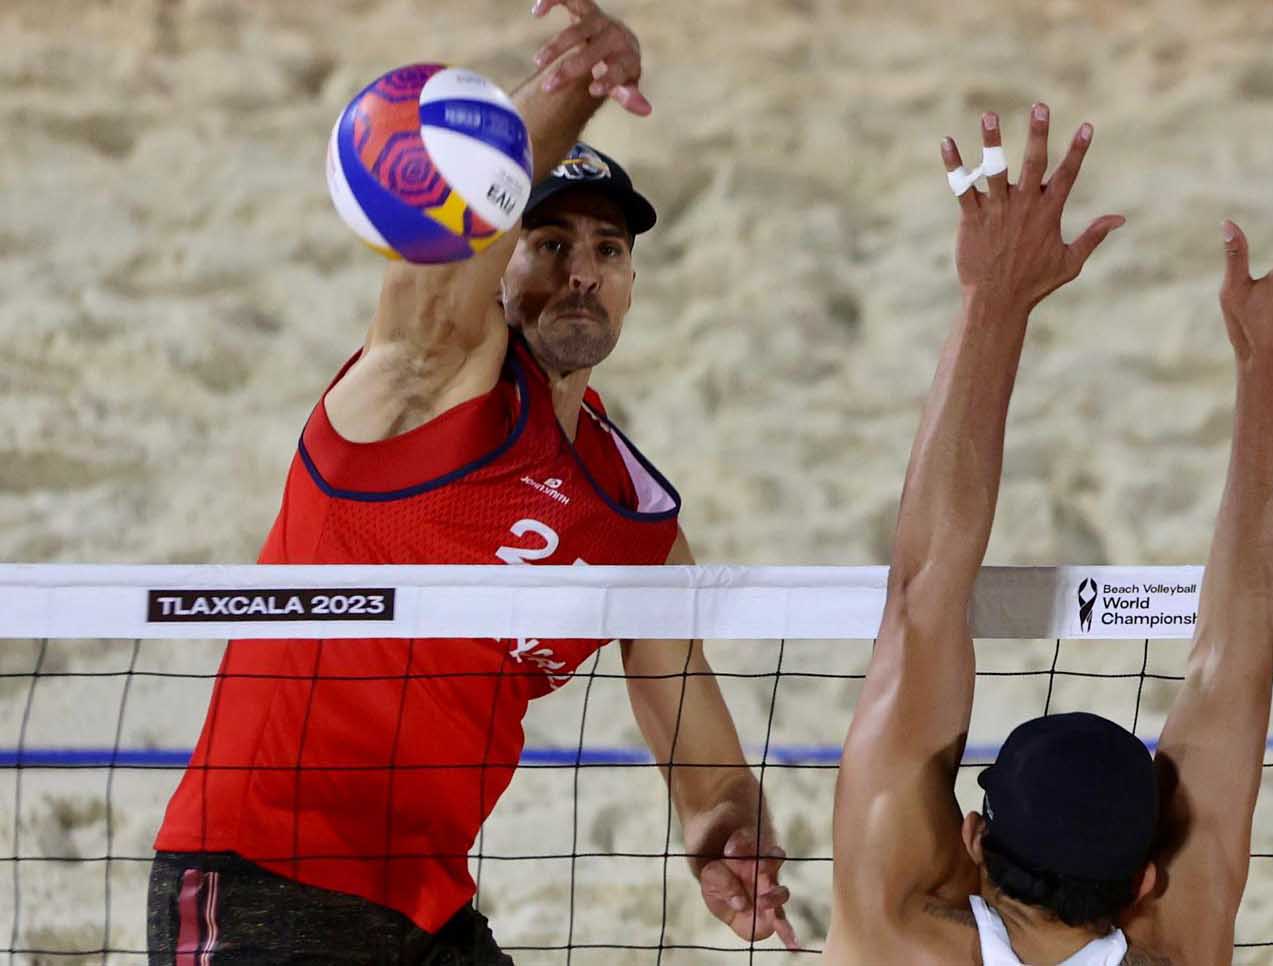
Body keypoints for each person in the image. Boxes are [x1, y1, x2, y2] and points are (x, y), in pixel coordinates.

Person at [147, 1, 796, 961]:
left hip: (430, 906)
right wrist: (571, 90)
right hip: (261, 878)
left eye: (608, 251)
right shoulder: (419, 388)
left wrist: (730, 834)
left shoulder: (634, 518)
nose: (583, 272)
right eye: (551, 244)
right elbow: (440, 263)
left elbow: (689, 720)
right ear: (499, 260)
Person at [823, 102, 1273, 964]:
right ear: (1144, 886)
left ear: (972, 841)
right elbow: (1233, 657)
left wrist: (995, 300)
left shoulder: (893, 928)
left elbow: (922, 593)